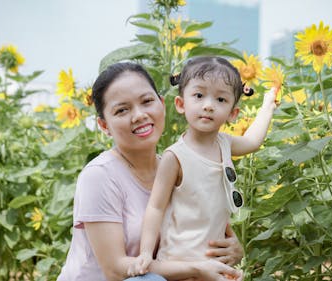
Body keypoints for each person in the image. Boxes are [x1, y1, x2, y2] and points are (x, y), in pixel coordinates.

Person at [57, 62, 244, 281]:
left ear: (163, 105)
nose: (139, 115)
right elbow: (115, 269)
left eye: (147, 102)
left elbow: (206, 229)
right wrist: (197, 268)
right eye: (122, 110)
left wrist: (233, 250)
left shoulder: (177, 167)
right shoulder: (99, 176)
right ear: (104, 125)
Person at [129, 56, 278, 277]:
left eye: (220, 99)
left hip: (214, 263)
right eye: (199, 96)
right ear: (181, 104)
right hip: (179, 265)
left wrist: (268, 106)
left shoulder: (225, 143)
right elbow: (155, 208)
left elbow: (253, 141)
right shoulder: (175, 156)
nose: (208, 105)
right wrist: (145, 253)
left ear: (232, 114)